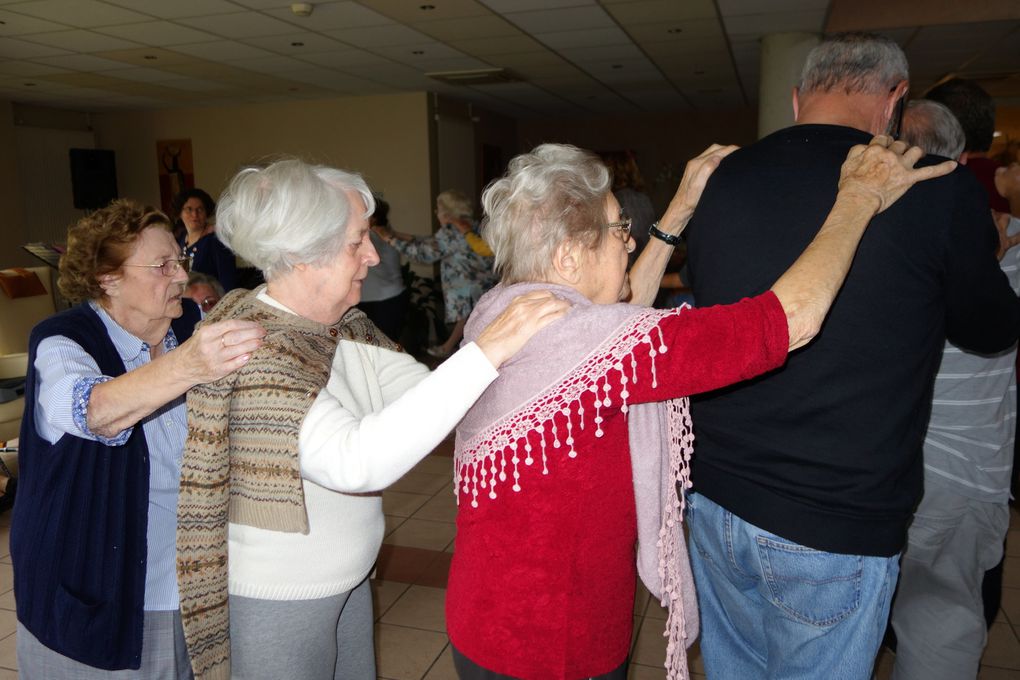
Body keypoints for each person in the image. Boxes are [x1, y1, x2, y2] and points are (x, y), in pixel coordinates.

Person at [446, 139, 954, 680]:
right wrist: (859, 196)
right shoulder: (597, 345)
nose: (629, 241)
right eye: (620, 230)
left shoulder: (504, 310)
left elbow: (614, 321)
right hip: (552, 644)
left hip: (482, 616)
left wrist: (679, 211)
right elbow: (790, 320)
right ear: (569, 255)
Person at [681, 33, 1020, 680]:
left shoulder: (722, 178)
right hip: (834, 511)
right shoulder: (934, 188)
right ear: (894, 99)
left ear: (795, 98)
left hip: (716, 489)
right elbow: (990, 329)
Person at [174, 159, 568, 680]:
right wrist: (488, 349)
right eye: (357, 240)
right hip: (282, 596)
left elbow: (431, 397)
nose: (374, 255)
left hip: (347, 577)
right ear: (303, 254)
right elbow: (355, 462)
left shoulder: (342, 328)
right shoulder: (254, 348)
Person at [10, 199, 265, 678]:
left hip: (190, 584)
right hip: (96, 588)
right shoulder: (62, 341)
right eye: (161, 265)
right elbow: (96, 412)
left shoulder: (189, 325)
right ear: (108, 279)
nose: (179, 277)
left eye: (181, 261)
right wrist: (192, 363)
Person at [887, 100, 1020, 680]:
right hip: (967, 474)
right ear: (964, 161)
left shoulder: (869, 234)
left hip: (885, 467)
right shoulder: (1004, 242)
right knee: (939, 625)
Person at [374, 189, 496, 358]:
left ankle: (451, 351)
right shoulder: (470, 224)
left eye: (438, 209)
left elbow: (424, 254)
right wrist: (397, 235)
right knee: (472, 324)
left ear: (446, 212)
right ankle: (454, 350)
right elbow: (432, 242)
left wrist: (390, 239)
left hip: (466, 288)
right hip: (482, 285)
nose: (436, 213)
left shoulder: (450, 232)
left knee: (468, 325)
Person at [357, 197, 409, 343]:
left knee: (383, 348)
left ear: (374, 216)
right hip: (383, 298)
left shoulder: (374, 235)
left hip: (384, 301)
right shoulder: (385, 231)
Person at [172, 188, 237, 292]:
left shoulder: (217, 240)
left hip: (211, 304)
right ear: (180, 213)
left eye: (200, 209)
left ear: (206, 213)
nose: (195, 215)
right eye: (189, 209)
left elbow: (228, 282)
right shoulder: (180, 240)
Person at [602, 150, 656, 262]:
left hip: (633, 263)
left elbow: (630, 241)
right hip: (648, 259)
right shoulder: (643, 198)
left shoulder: (621, 199)